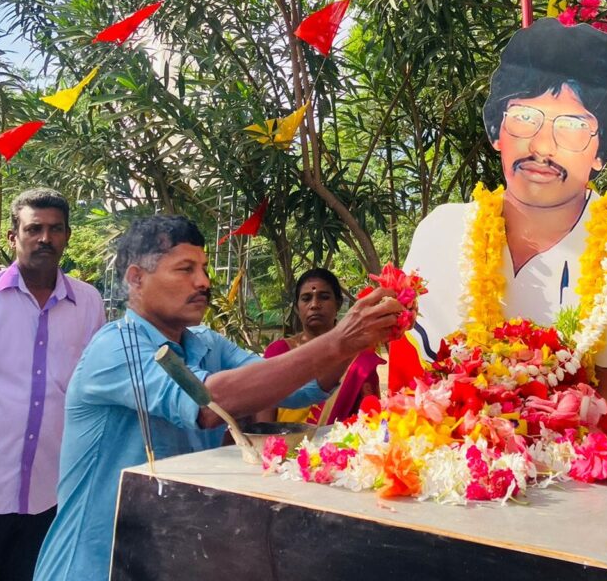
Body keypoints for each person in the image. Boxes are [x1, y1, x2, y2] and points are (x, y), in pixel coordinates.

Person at [390, 18, 607, 453]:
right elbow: (413, 410)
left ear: (601, 151)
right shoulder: (441, 235)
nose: (543, 147)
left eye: (573, 127)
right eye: (524, 118)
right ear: (496, 131)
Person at [34, 215, 401, 581]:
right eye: (185, 269)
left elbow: (296, 389)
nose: (204, 282)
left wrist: (358, 341)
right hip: (94, 567)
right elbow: (206, 403)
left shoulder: (206, 343)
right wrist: (338, 341)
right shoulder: (116, 347)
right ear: (136, 279)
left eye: (204, 269)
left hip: (166, 559)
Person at [0, 189, 105, 581]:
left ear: (67, 235)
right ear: (12, 236)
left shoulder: (89, 303)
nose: (45, 238)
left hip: (53, 492)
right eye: (34, 229)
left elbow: (94, 385)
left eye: (55, 229)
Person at [258, 268, 380, 425]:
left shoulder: (358, 358)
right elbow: (263, 418)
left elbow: (370, 421)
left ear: (338, 304)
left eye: (324, 297)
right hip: (282, 440)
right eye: (306, 298)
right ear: (297, 308)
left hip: (340, 440)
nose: (315, 305)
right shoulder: (279, 351)